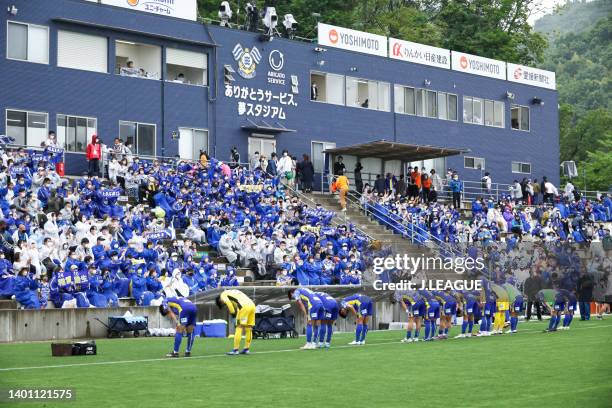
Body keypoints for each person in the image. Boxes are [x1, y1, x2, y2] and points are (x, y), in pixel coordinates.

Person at [216, 289, 256, 355]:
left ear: (220, 300)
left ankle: (235, 350)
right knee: (248, 328)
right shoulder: (232, 291)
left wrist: (233, 315)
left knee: (239, 327)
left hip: (244, 306)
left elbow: (229, 303)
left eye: (222, 304)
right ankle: (246, 349)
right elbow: (236, 302)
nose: (224, 304)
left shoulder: (223, 295)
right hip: (252, 305)